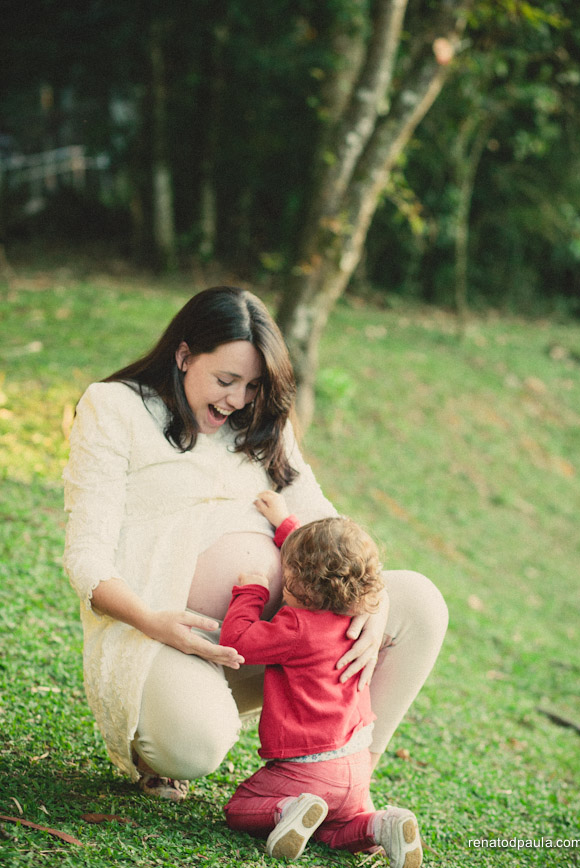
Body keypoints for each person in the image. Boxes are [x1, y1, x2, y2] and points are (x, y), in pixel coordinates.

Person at [63, 285, 448, 804]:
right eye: (226, 380)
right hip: (166, 637)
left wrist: (372, 602)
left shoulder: (261, 421)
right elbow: (87, 558)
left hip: (281, 639)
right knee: (195, 746)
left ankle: (349, 780)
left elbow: (320, 517)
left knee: (418, 603)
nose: (238, 399)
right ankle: (160, 735)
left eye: (253, 384)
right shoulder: (113, 409)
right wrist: (155, 622)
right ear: (183, 355)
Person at [221, 496, 423, 868]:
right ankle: (381, 825)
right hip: (355, 761)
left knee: (240, 808)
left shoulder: (297, 627)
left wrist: (252, 591)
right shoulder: (357, 616)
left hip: (306, 769)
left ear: (302, 585)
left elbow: (237, 643)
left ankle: (288, 809)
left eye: (289, 574)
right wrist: (284, 523)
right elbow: (326, 557)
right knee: (335, 830)